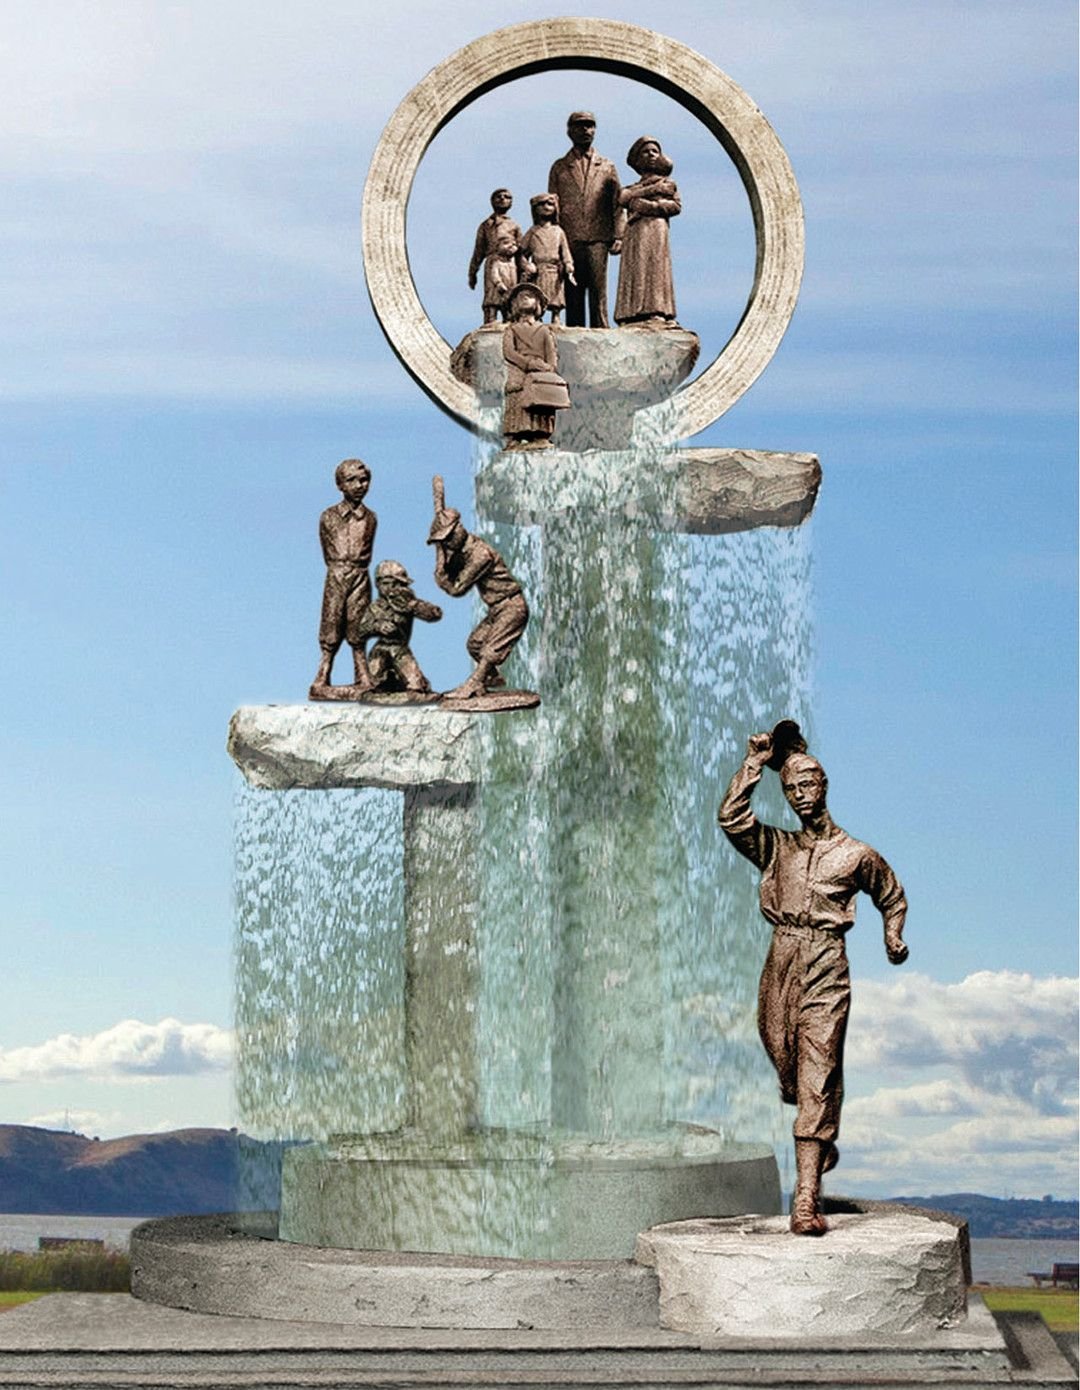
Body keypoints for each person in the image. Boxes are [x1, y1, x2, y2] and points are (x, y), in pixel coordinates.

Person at [718, 724, 908, 1236]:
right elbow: (731, 819)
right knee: (784, 1055)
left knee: (818, 1070)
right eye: (792, 790)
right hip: (781, 957)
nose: (801, 796)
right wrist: (755, 766)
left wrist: (893, 935)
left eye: (808, 786)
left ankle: (805, 1200)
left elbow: (891, 895)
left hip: (827, 960)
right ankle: (819, 1128)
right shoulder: (776, 847)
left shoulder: (856, 854)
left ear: (824, 786)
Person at [427, 483, 529, 700]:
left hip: (512, 606)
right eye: (443, 541)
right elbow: (451, 573)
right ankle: (488, 679)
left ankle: (474, 683)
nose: (447, 543)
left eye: (448, 538)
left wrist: (441, 572)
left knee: (489, 651)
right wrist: (443, 559)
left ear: (459, 528)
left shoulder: (480, 555)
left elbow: (457, 589)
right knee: (474, 644)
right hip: (497, 609)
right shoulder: (461, 552)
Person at [547, 111, 624, 327]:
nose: (586, 130)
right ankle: (575, 331)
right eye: (580, 126)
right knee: (573, 290)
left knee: (599, 291)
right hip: (570, 237)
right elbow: (552, 207)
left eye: (590, 126)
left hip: (599, 236)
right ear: (569, 131)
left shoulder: (607, 166)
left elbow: (618, 202)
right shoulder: (560, 167)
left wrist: (619, 234)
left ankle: (601, 330)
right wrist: (554, 240)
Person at [310, 459, 377, 697]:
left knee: (358, 624)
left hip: (360, 574)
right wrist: (339, 568)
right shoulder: (328, 516)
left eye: (364, 480)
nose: (360, 485)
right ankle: (322, 674)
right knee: (331, 620)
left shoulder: (370, 518)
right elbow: (326, 547)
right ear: (340, 485)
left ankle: (363, 674)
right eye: (352, 480)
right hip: (337, 573)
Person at [614, 137, 681, 326]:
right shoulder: (635, 187)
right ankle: (630, 313)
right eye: (646, 152)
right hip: (635, 231)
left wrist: (649, 206)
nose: (651, 155)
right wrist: (652, 189)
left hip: (656, 229)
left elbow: (675, 206)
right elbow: (623, 197)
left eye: (655, 151)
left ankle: (657, 310)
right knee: (636, 267)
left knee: (655, 266)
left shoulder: (668, 184)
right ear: (637, 159)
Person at [353, 560, 442, 695]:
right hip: (380, 649)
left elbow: (433, 614)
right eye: (386, 584)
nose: (390, 588)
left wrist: (412, 604)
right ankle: (387, 681)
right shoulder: (375, 607)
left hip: (400, 650)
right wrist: (377, 626)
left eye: (395, 584)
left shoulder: (406, 602)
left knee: (416, 687)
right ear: (378, 584)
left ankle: (400, 681)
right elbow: (360, 631)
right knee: (369, 686)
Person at [501, 282, 567, 449]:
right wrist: (529, 364)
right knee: (517, 399)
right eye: (520, 297)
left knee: (541, 401)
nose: (525, 298)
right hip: (520, 371)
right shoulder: (512, 330)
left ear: (537, 304)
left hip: (541, 372)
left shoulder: (544, 331)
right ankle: (515, 437)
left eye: (529, 296)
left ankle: (541, 435)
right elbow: (509, 352)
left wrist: (548, 368)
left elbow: (552, 355)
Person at [518, 192, 576, 324]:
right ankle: (538, 317)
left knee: (556, 296)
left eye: (550, 204)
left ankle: (556, 316)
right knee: (538, 295)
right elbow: (521, 253)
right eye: (541, 204)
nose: (546, 207)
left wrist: (568, 264)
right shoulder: (533, 232)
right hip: (539, 270)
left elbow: (565, 251)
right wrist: (526, 265)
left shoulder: (558, 231)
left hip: (554, 270)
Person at [468, 188, 522, 304]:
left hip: (510, 264)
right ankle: (490, 318)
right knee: (492, 297)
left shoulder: (514, 225)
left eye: (506, 197)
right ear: (492, 201)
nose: (502, 198)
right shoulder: (486, 225)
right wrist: (472, 272)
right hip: (492, 262)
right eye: (499, 196)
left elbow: (521, 250)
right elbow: (478, 251)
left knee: (510, 296)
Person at [482, 231, 520, 324]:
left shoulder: (512, 263)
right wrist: (498, 283)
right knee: (494, 303)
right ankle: (492, 319)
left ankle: (508, 319)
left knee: (507, 306)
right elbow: (494, 274)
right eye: (506, 243)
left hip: (510, 289)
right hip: (498, 289)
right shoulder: (496, 262)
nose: (511, 246)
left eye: (514, 244)